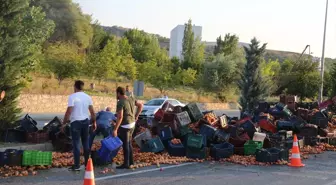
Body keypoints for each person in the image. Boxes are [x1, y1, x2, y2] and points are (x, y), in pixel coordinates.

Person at [61, 80, 96, 171]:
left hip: (75, 122)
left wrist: (63, 123)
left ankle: (76, 165)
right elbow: (92, 111)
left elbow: (69, 111)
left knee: (76, 143)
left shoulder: (72, 97)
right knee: (85, 142)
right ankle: (87, 164)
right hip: (86, 122)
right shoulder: (88, 97)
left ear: (75, 87)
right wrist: (94, 122)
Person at [113, 86, 143, 169]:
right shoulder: (131, 98)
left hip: (125, 125)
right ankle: (131, 162)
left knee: (126, 144)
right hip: (132, 124)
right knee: (129, 143)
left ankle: (126, 163)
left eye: (116, 93)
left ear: (118, 93)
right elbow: (140, 105)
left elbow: (120, 117)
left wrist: (115, 129)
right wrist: (136, 116)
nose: (116, 95)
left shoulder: (120, 102)